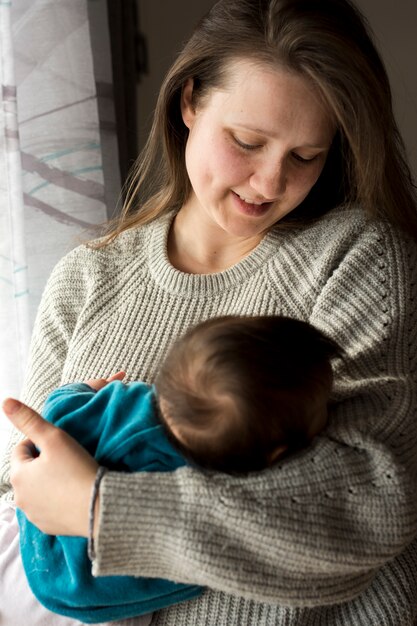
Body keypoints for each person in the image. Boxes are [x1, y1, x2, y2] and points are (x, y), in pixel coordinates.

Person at [1, 0, 417, 624]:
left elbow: (367, 506)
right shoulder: (87, 278)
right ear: (190, 102)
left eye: (307, 156)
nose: (271, 182)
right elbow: (24, 495)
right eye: (247, 142)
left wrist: (101, 505)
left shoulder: (356, 260)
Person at [17, 314, 340, 624]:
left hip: (24, 528)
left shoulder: (119, 399)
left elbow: (58, 403)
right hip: (71, 586)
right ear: (275, 454)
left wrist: (85, 391)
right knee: (211, 565)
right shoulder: (200, 482)